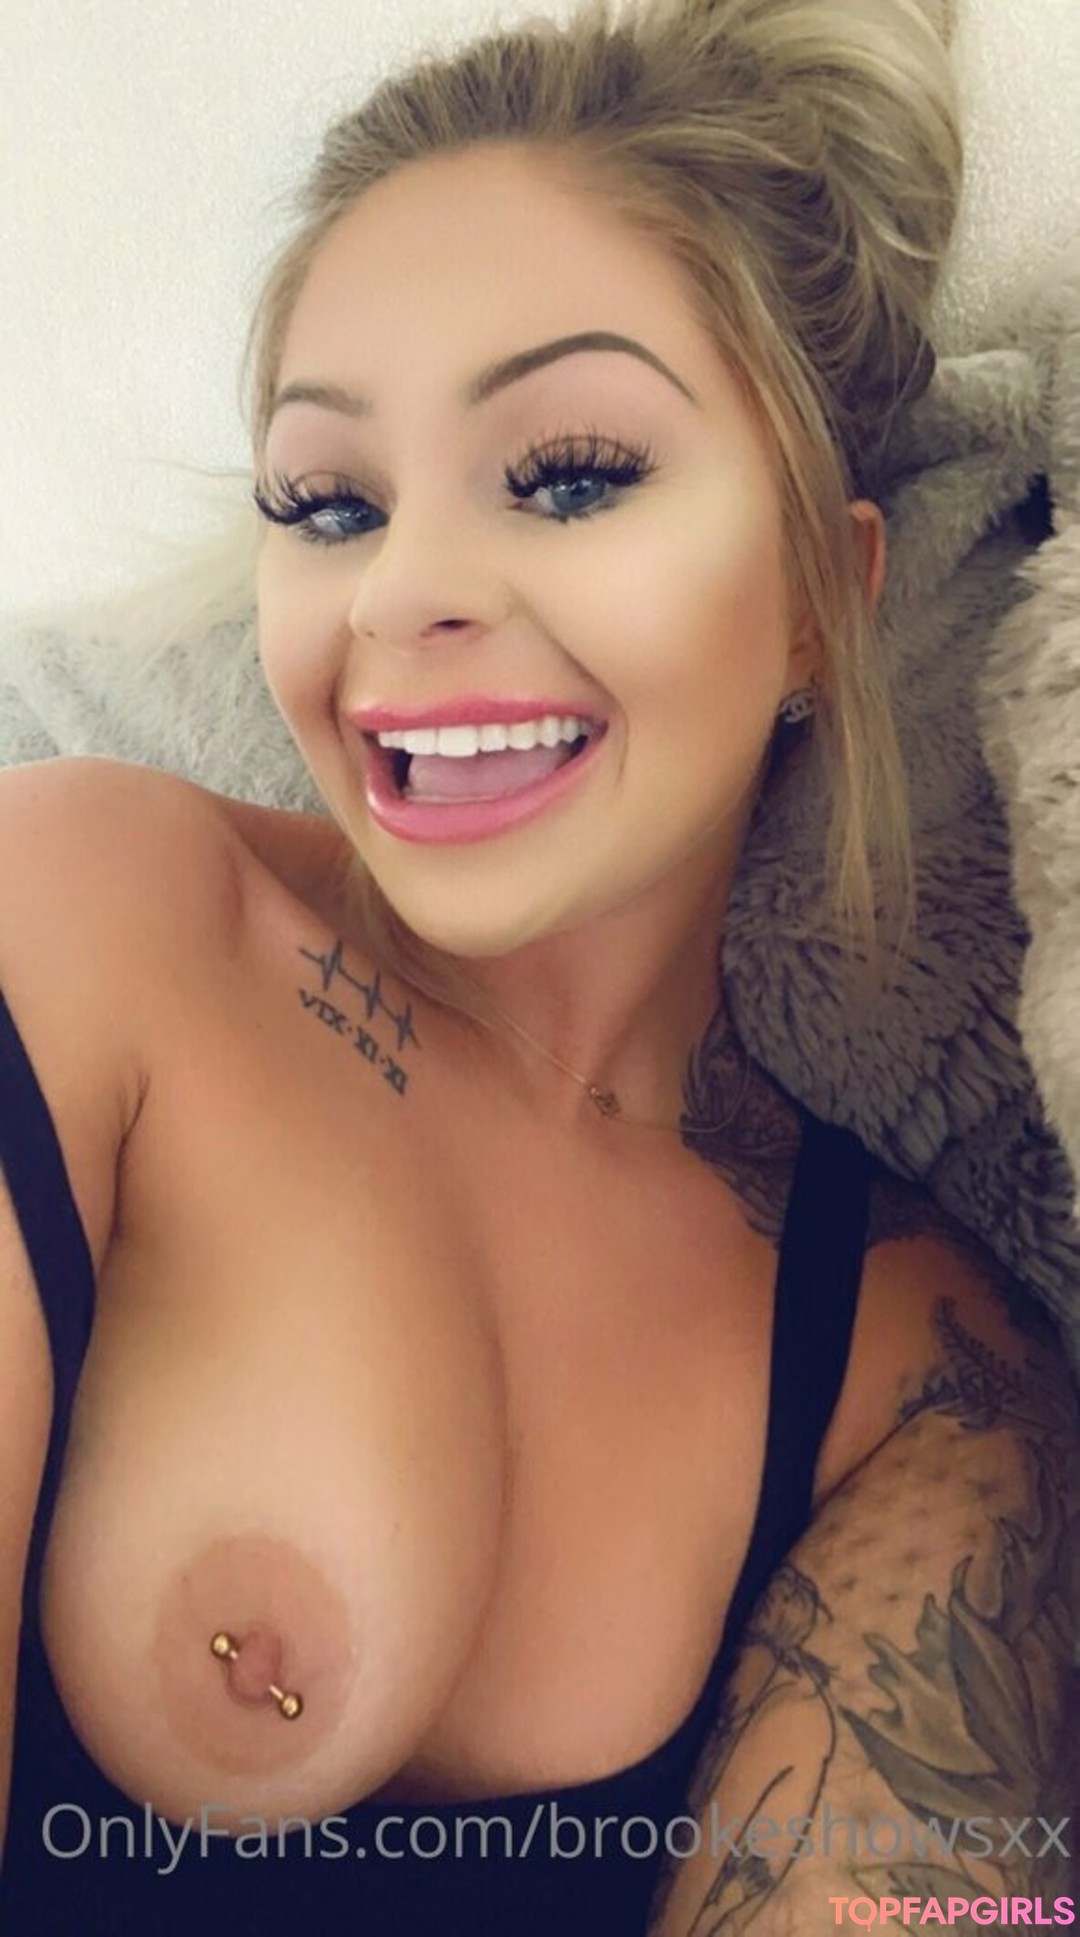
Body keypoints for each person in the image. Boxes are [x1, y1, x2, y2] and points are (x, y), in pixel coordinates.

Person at [0, 0, 1075, 1931]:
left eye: (571, 472)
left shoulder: (918, 1365)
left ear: (826, 599)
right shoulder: (81, 912)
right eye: (329, 503)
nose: (400, 591)